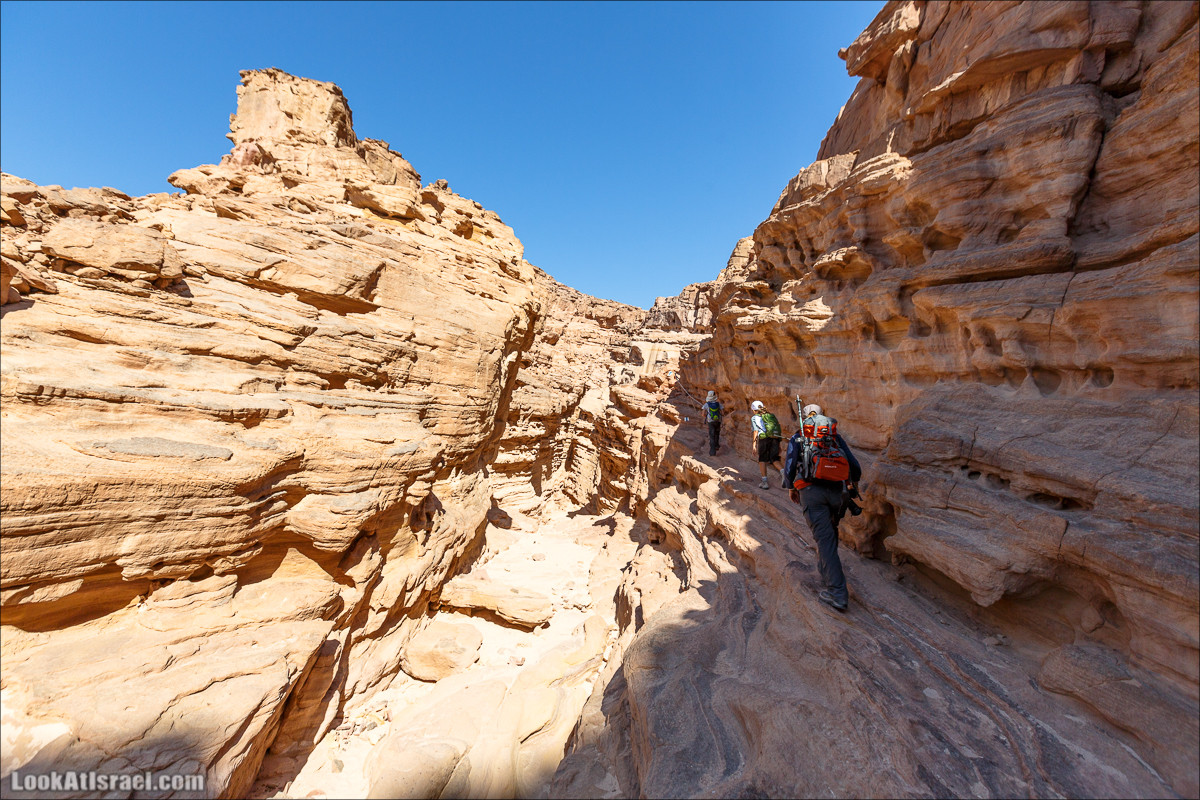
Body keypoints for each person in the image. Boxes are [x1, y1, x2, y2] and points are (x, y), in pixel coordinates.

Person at [784, 403, 863, 612]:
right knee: (829, 532)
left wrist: (791, 487)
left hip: (811, 493)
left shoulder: (799, 435)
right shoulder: (834, 437)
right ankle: (826, 568)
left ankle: (837, 593)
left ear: (805, 417)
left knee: (825, 539)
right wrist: (852, 485)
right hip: (838, 493)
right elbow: (854, 466)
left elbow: (790, 464)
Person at [749, 400, 784, 489]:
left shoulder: (754, 418)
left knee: (762, 459)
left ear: (753, 410)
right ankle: (784, 473)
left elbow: (756, 431)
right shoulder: (770, 416)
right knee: (775, 459)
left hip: (764, 439)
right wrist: (779, 443)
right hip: (774, 438)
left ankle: (764, 482)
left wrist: (754, 445)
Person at [703, 391, 722, 456]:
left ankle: (712, 451)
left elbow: (703, 414)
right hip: (718, 421)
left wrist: (707, 416)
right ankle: (716, 446)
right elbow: (722, 412)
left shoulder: (706, 404)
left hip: (710, 421)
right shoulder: (718, 404)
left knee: (712, 435)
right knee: (717, 433)